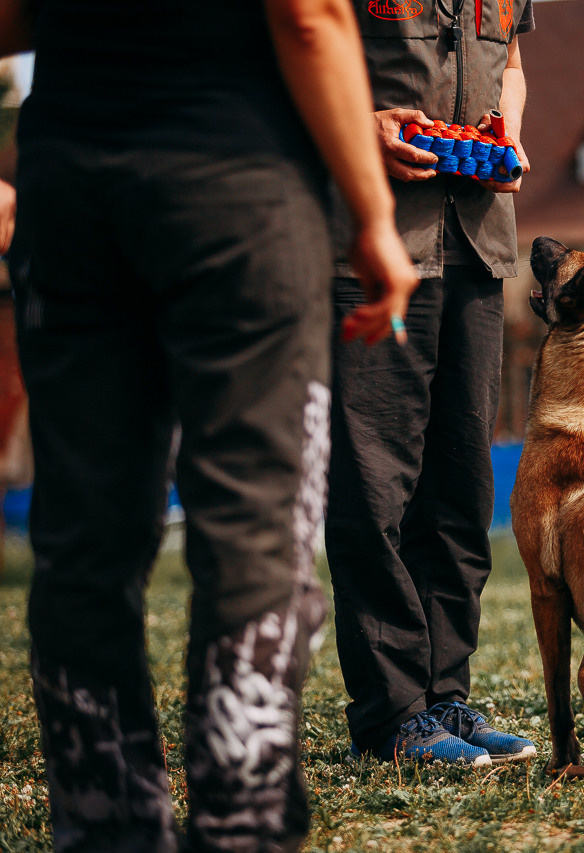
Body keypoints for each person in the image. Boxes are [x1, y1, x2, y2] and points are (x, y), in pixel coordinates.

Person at [3, 0, 418, 848]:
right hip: (238, 190)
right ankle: (242, 825)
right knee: (254, 521)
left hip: (67, 191)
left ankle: (105, 826)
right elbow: (308, 15)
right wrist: (372, 216)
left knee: (85, 535)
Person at [325, 0, 538, 766]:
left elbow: (510, 67)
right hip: (371, 248)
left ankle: (446, 695)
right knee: (375, 491)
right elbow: (290, 52)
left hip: (477, 248)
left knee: (459, 489)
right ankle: (391, 715)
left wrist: (506, 133)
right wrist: (362, 124)